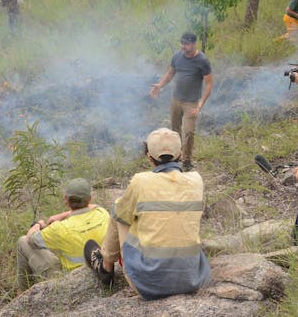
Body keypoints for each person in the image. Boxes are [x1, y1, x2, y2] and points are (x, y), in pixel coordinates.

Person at [85, 128, 211, 300]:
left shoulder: (141, 181)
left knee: (118, 210)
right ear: (181, 154)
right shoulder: (196, 180)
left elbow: (122, 215)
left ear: (149, 156)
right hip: (192, 279)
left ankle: (106, 267)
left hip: (148, 284)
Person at [16, 178, 110, 290]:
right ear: (90, 198)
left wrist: (37, 225)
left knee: (22, 241)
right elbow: (95, 206)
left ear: (66, 199)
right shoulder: (102, 214)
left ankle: (23, 292)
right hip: (100, 268)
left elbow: (31, 239)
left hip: (70, 280)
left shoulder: (60, 228)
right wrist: (63, 215)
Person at [149, 32, 213, 170]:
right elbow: (171, 73)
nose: (183, 46)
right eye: (182, 43)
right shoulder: (177, 56)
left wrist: (200, 105)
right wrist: (160, 85)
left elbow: (208, 84)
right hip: (176, 100)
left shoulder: (202, 61)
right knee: (174, 131)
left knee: (189, 132)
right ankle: (174, 158)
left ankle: (187, 160)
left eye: (186, 44)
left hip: (191, 103)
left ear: (194, 44)